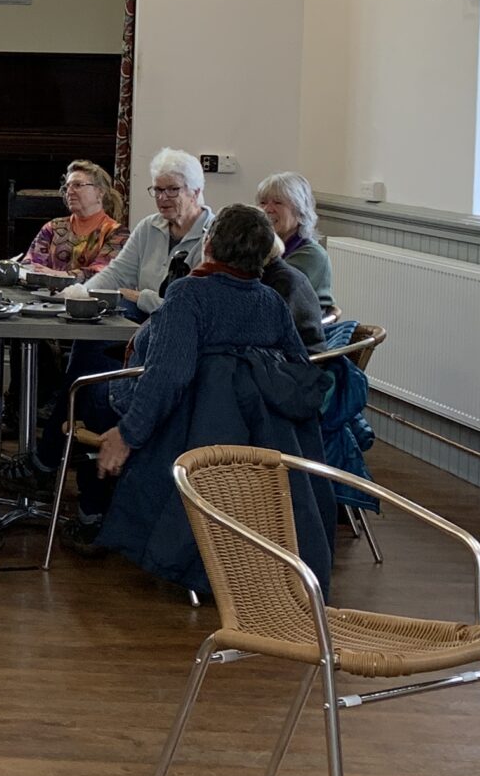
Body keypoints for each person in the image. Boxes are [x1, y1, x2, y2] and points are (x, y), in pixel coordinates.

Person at [91, 204, 331, 596]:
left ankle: (92, 516)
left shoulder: (190, 295)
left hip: (189, 435)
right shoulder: (270, 301)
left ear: (209, 245)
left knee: (96, 399)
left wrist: (128, 433)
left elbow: (167, 377)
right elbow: (297, 369)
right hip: (258, 442)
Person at [73, 147, 213, 315]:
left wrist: (140, 298)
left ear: (195, 192)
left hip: (183, 328)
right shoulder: (148, 227)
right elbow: (117, 274)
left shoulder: (214, 235)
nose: (162, 197)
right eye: (158, 190)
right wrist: (80, 295)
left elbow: (189, 308)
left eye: (172, 189)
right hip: (145, 321)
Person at [18, 160, 127, 279]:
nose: (69, 192)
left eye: (78, 185)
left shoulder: (117, 232)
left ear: (100, 192)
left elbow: (102, 274)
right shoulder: (53, 227)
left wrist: (58, 275)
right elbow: (29, 265)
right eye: (67, 187)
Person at [256, 170, 334, 307]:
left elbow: (272, 294)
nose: (267, 209)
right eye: (263, 202)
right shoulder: (261, 247)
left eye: (278, 202)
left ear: (299, 211)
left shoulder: (312, 255)